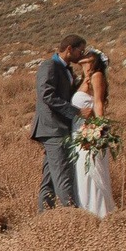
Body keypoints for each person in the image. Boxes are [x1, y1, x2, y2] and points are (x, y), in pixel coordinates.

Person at [32, 35, 86, 210]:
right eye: (80, 50)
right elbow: (47, 95)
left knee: (49, 179)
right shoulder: (49, 66)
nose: (82, 54)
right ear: (69, 49)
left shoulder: (66, 69)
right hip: (52, 128)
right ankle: (73, 218)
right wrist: (75, 112)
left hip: (57, 128)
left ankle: (44, 219)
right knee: (63, 175)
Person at [72, 49, 115, 219]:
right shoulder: (82, 80)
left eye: (88, 54)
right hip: (76, 131)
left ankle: (98, 214)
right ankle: (86, 214)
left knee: (90, 173)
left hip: (88, 132)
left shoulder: (97, 76)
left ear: (94, 59)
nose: (83, 54)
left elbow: (98, 104)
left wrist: (99, 129)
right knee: (81, 174)